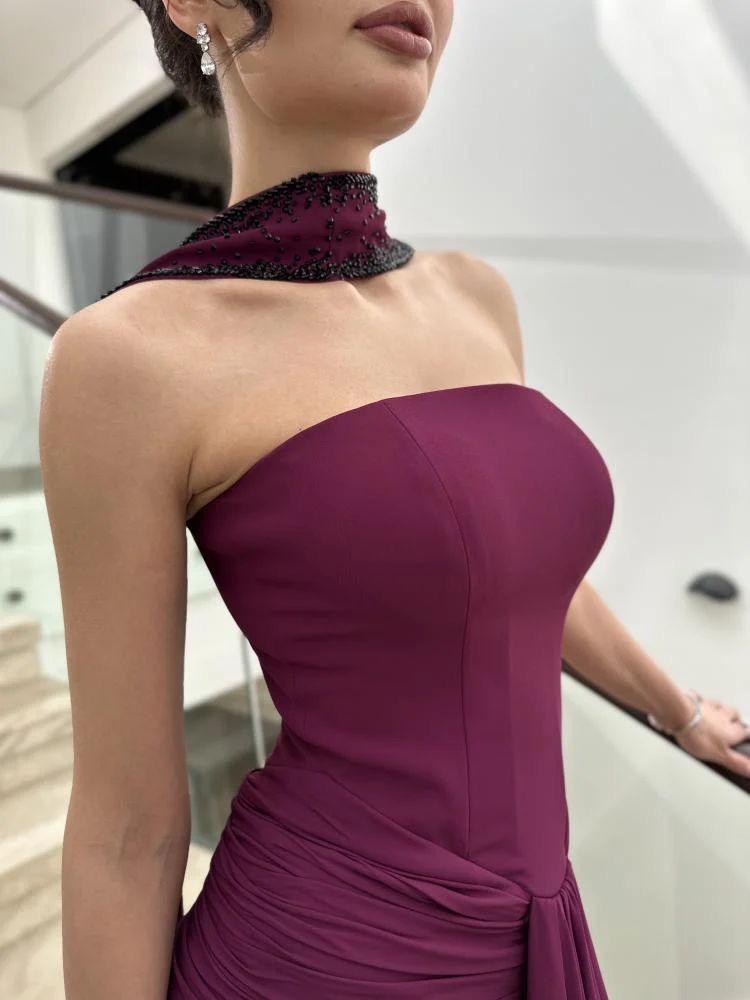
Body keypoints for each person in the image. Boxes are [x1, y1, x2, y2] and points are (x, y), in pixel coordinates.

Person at [40, 1, 750, 997]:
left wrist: (679, 714)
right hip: (320, 957)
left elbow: (518, 583)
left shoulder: (474, 296)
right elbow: (126, 833)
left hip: (540, 920)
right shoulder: (129, 360)